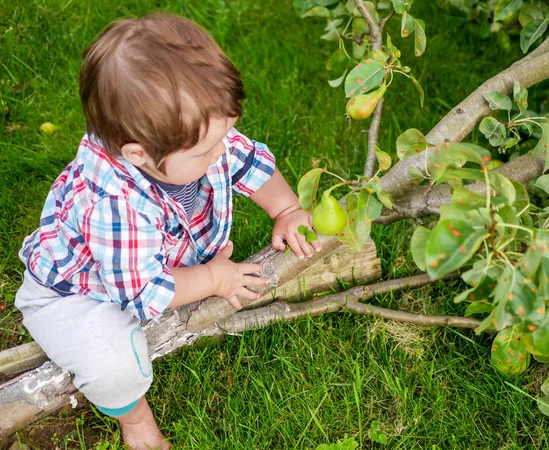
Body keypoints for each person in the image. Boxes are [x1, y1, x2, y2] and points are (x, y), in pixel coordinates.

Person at [14, 13, 320, 449]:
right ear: (138, 154)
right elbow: (143, 291)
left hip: (146, 263)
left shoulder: (193, 139)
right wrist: (216, 278)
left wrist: (287, 207)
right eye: (207, 149)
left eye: (225, 135)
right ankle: (136, 423)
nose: (221, 153)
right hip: (80, 293)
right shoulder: (114, 203)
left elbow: (250, 163)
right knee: (112, 366)